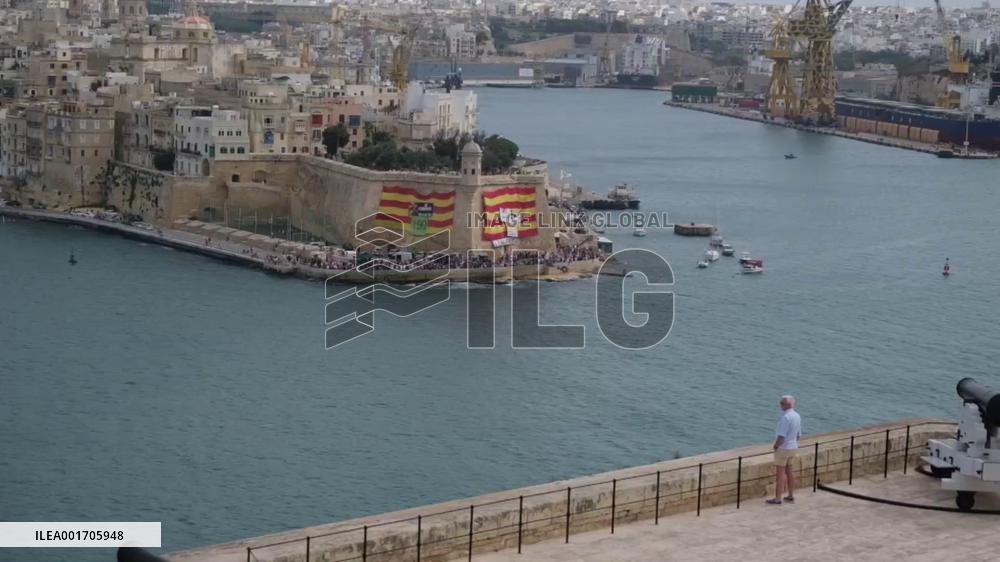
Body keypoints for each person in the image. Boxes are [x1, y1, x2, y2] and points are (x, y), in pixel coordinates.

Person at [767, 395, 802, 505]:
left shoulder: (786, 418)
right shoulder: (797, 416)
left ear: (787, 404)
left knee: (780, 474)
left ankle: (778, 498)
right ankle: (790, 495)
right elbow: (798, 435)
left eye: (782, 403)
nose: (780, 404)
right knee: (790, 471)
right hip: (793, 447)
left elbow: (781, 436)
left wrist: (776, 446)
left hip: (784, 448)